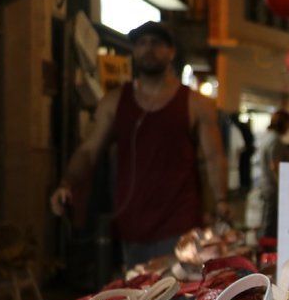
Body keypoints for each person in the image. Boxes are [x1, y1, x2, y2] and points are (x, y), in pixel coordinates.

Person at [49, 21, 228, 267]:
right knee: (138, 298)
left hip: (179, 222)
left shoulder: (196, 103)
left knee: (178, 299)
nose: (148, 49)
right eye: (141, 43)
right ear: (134, 51)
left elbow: (213, 158)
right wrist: (66, 183)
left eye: (156, 43)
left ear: (171, 51)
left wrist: (221, 201)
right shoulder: (114, 102)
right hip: (131, 222)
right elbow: (89, 150)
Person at [259, 109, 289, 237]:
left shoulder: (268, 137)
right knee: (271, 222)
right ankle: (266, 249)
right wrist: (284, 187)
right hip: (273, 188)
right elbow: (275, 165)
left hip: (267, 185)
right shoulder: (275, 141)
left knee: (267, 219)